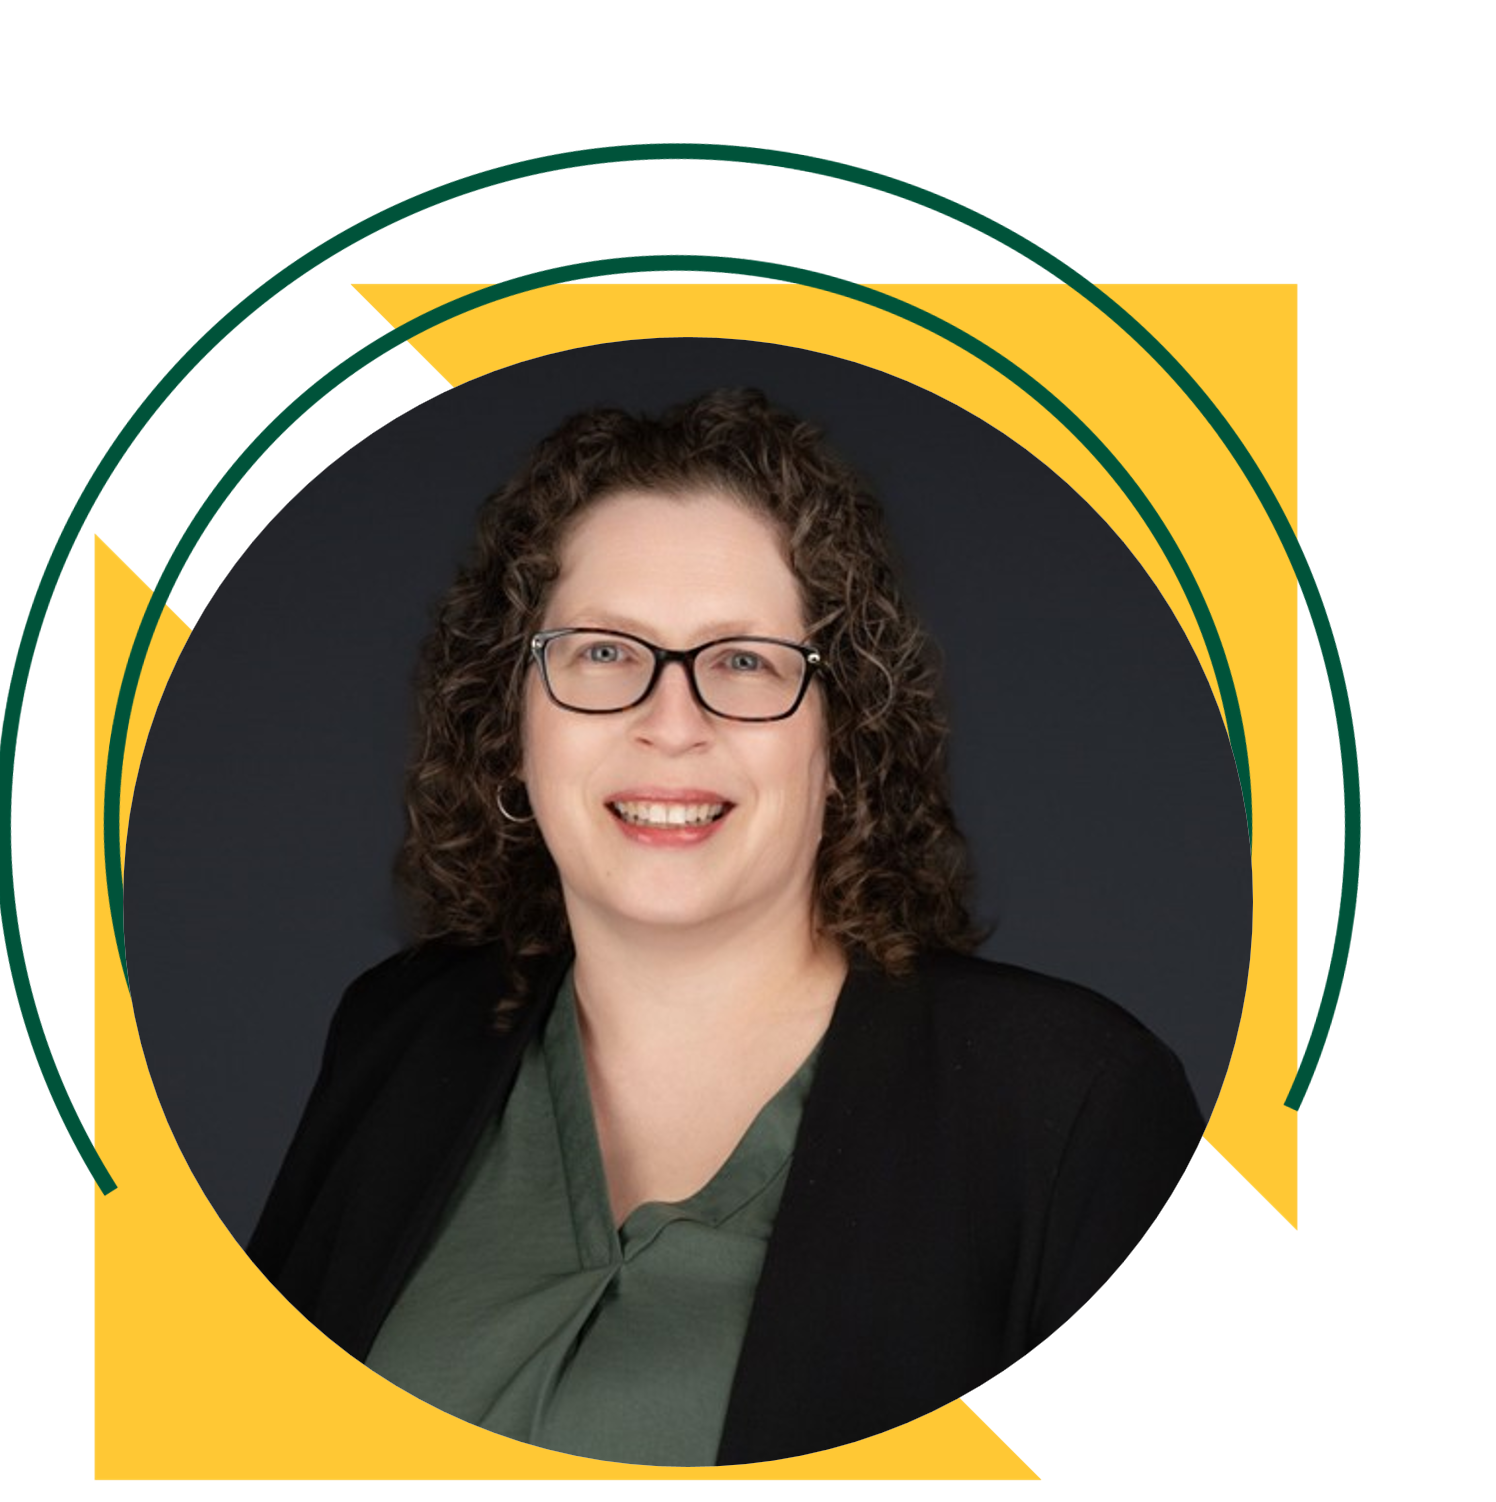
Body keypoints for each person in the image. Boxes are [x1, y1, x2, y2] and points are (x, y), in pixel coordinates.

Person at [248, 389, 1203, 1466]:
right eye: (605, 652)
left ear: (842, 734)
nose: (671, 723)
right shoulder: (395, 1034)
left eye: (744, 661)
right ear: (513, 717)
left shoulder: (1074, 1107)